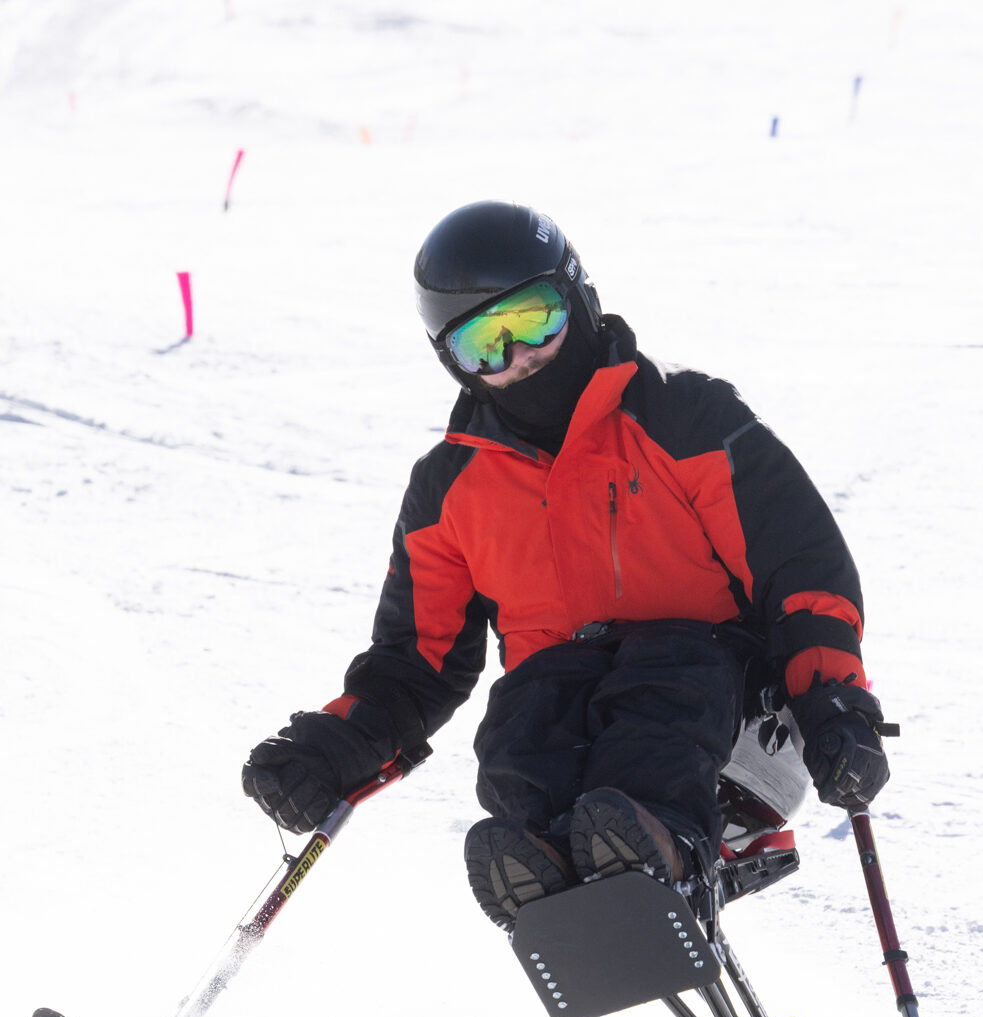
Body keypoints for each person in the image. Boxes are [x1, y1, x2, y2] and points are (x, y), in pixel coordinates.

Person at [241, 200, 891, 933]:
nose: (518, 357)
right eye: (484, 343)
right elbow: (416, 661)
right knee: (527, 710)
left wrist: (834, 702)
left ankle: (659, 848)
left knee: (663, 668)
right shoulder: (449, 488)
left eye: (533, 319)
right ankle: (548, 865)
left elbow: (800, 570)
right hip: (580, 737)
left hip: (735, 723)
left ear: (577, 296)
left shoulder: (687, 418)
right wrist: (334, 744)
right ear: (449, 360)